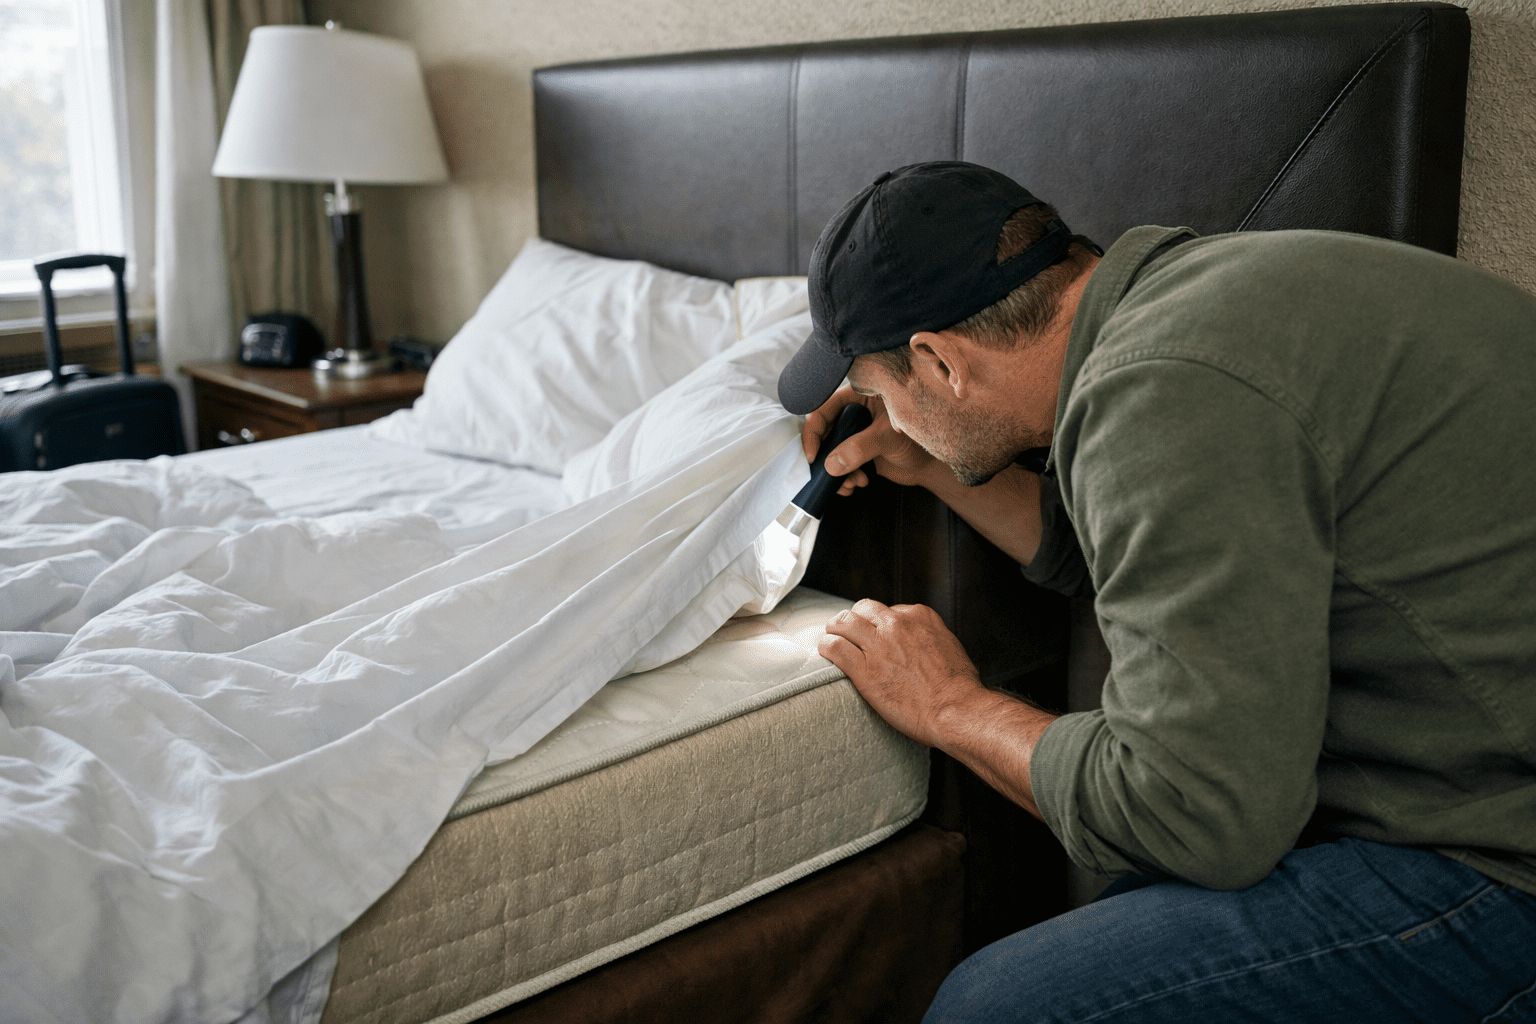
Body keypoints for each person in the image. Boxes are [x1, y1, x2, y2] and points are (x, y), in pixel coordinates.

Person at [777, 161, 1536, 1022]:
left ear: (939, 362)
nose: (884, 415)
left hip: (1506, 854)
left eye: (881, 392)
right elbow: (1141, 549)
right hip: (1480, 764)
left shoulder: (1162, 393)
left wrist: (950, 705)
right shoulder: (1204, 301)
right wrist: (938, 464)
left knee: (1001, 1007)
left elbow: (1195, 813)